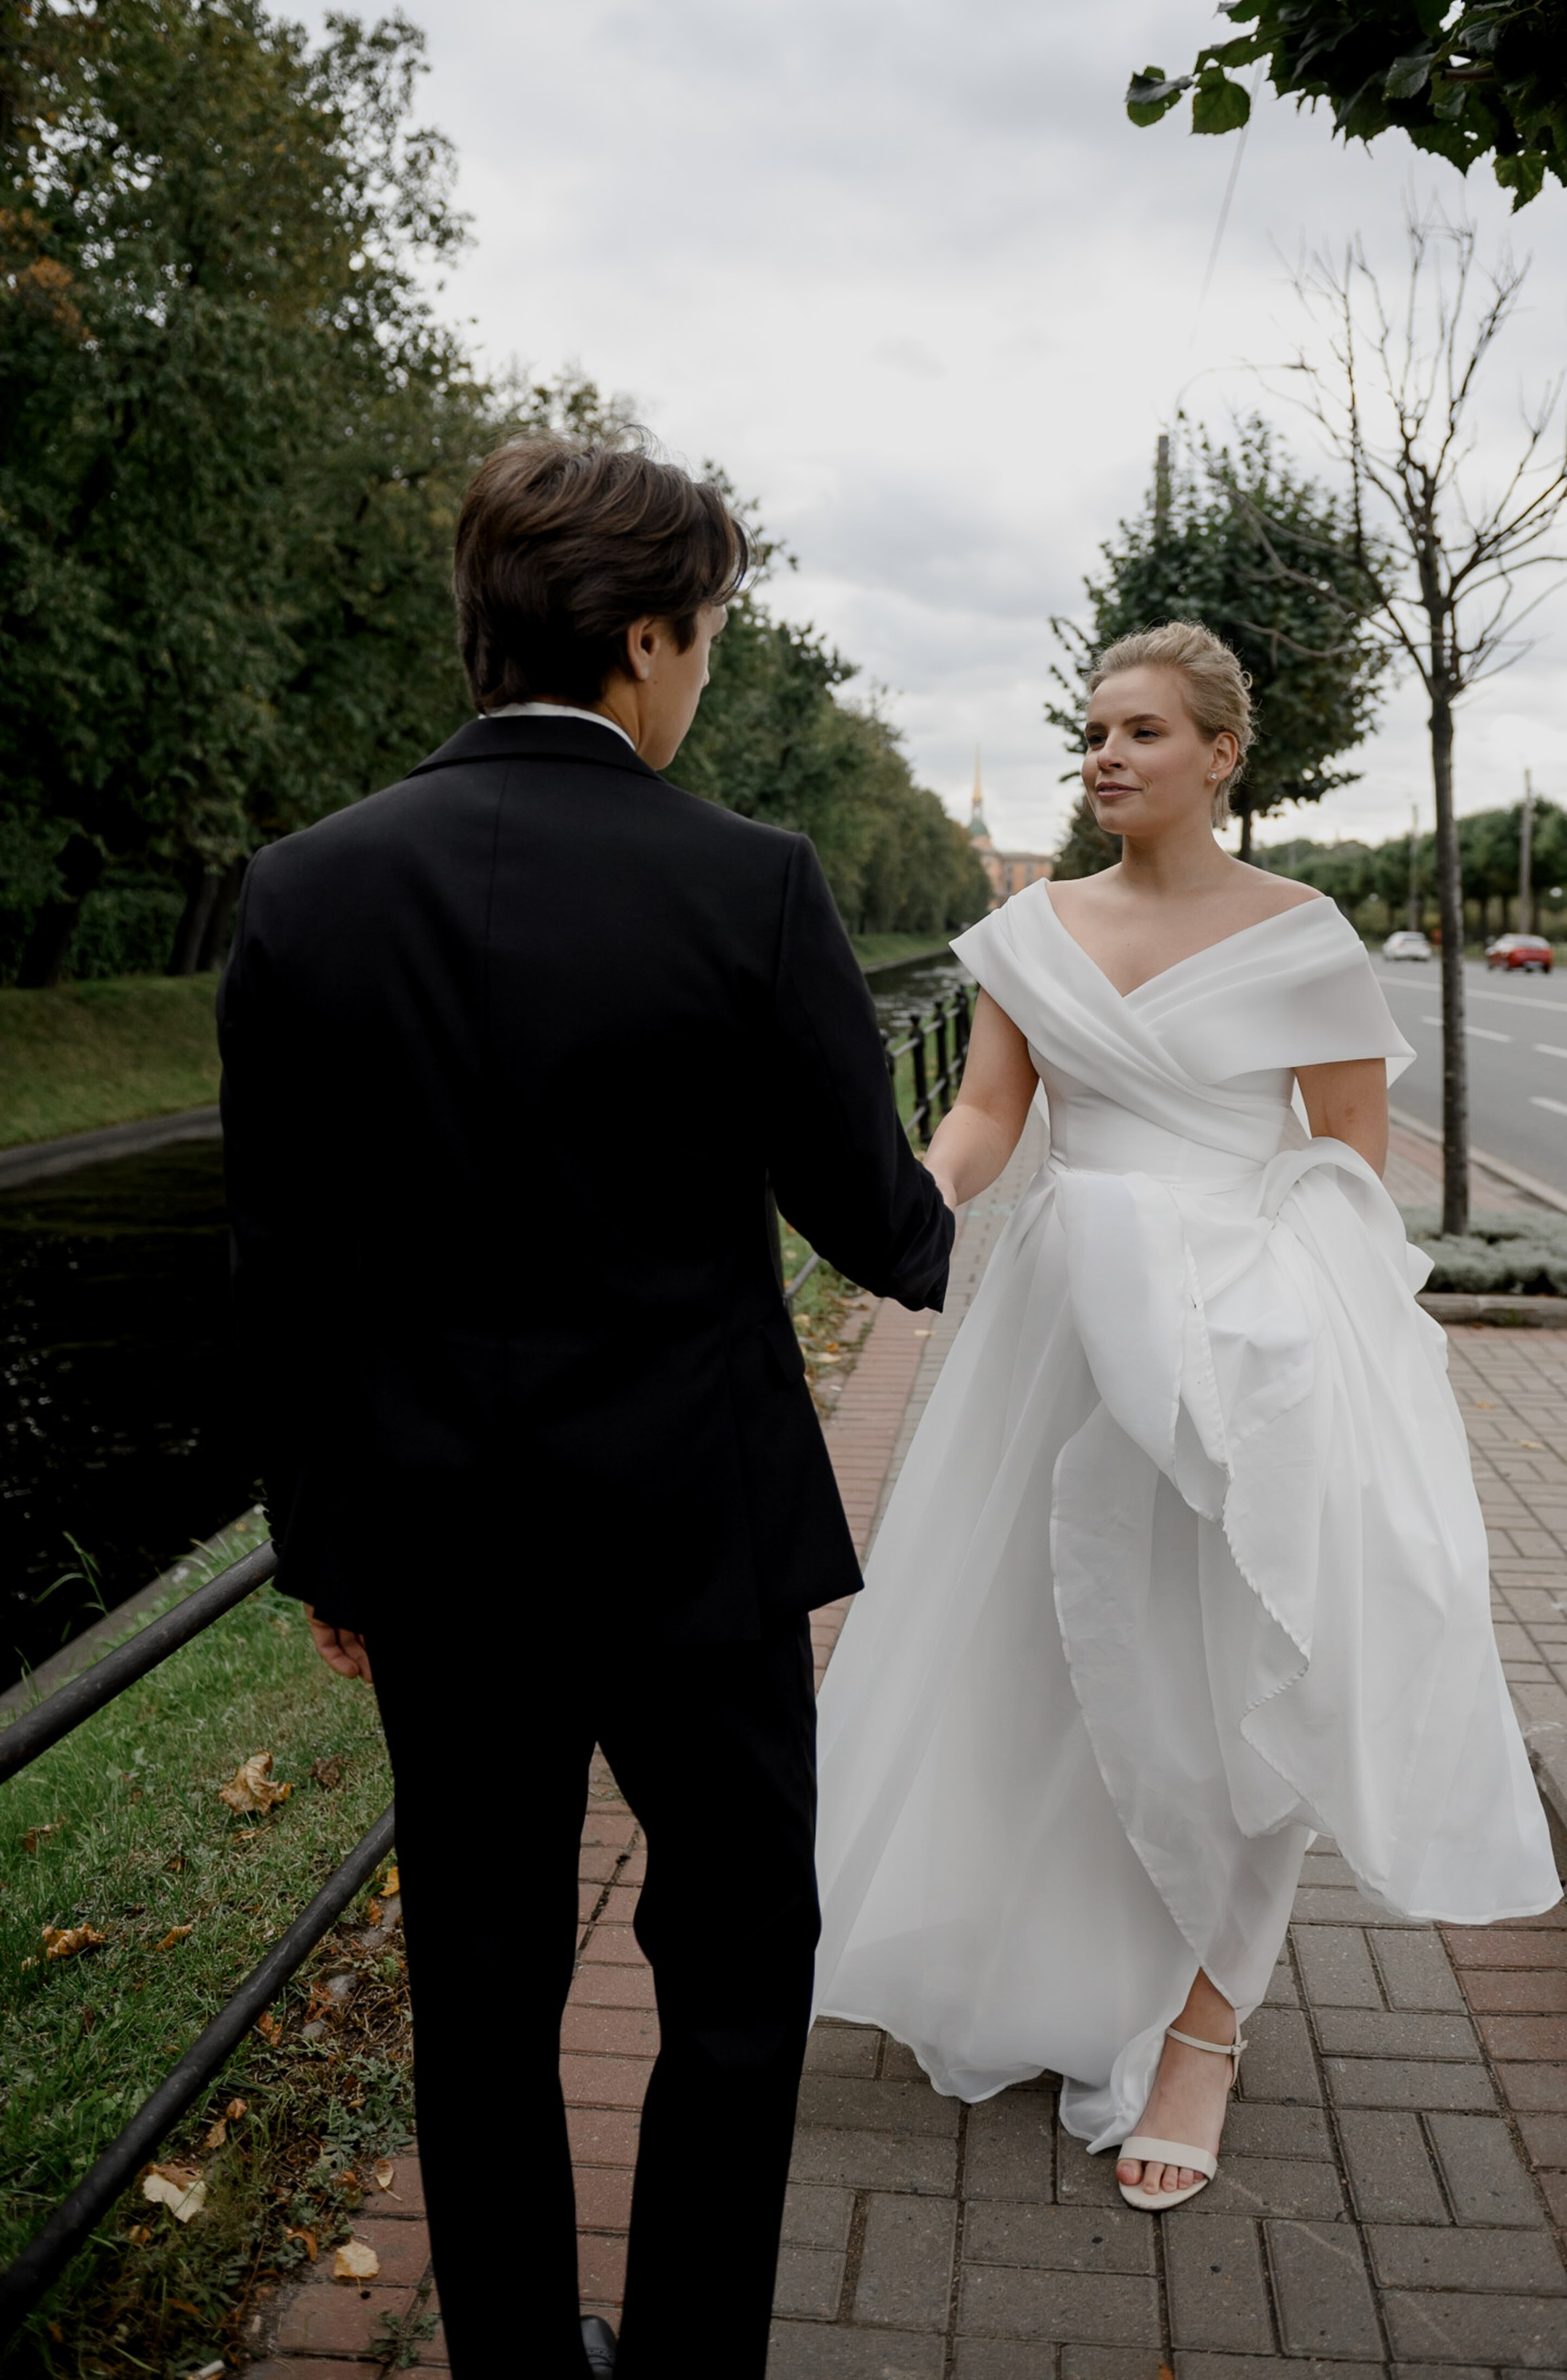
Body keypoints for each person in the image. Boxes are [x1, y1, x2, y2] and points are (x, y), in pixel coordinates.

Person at [217, 434, 954, 2379]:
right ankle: (696, 2362)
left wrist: (327, 1549)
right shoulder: (752, 883)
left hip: (444, 1543)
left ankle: (523, 2372)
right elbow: (876, 1220)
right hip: (700, 1545)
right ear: (642, 639)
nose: (700, 668)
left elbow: (282, 1272)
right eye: (702, 633)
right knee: (733, 1966)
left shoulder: (304, 892)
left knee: (478, 1983)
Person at [813, 621, 1557, 2210]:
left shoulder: (1304, 938)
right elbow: (991, 1110)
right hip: (1055, 1332)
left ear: (1221, 754)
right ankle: (1051, 1966)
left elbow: (1350, 1159)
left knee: (1233, 1666)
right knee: (1052, 1651)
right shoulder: (1030, 929)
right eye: (1090, 728)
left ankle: (1203, 2028)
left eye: (1141, 729)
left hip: (1244, 1347)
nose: (1103, 753)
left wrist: (1272, 1316)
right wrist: (918, 1202)